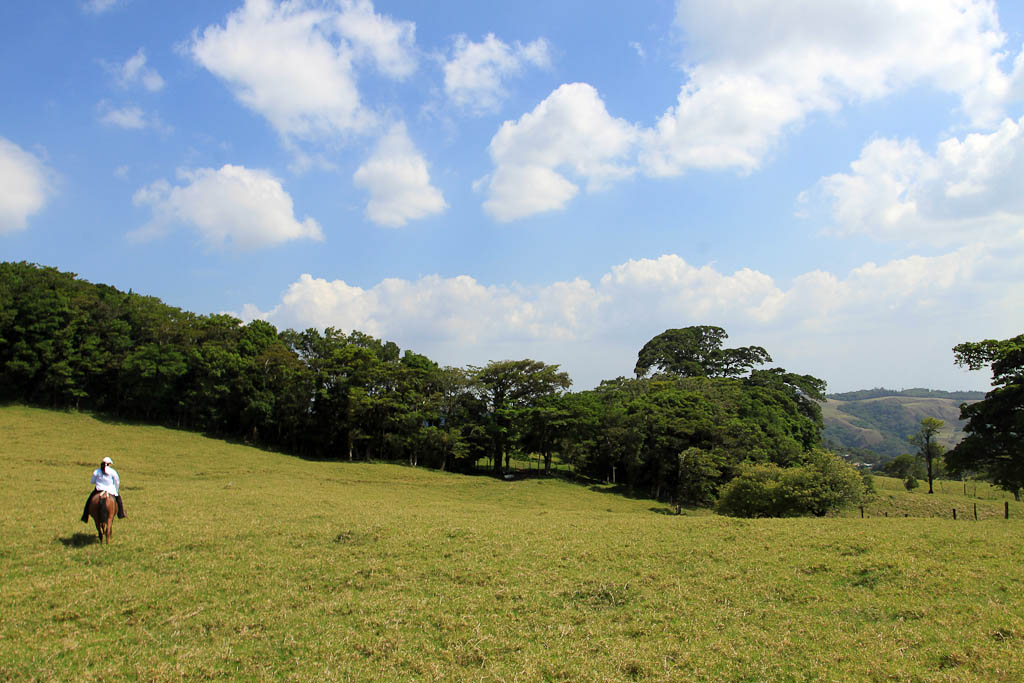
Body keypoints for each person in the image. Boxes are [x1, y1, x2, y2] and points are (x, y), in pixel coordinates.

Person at [81, 456, 126, 522]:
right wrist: (116, 490)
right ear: (109, 464)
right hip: (111, 490)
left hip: (98, 490)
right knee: (119, 500)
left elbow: (92, 481)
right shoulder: (113, 472)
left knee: (89, 501)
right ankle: (121, 513)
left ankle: (85, 516)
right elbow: (117, 481)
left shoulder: (96, 471)